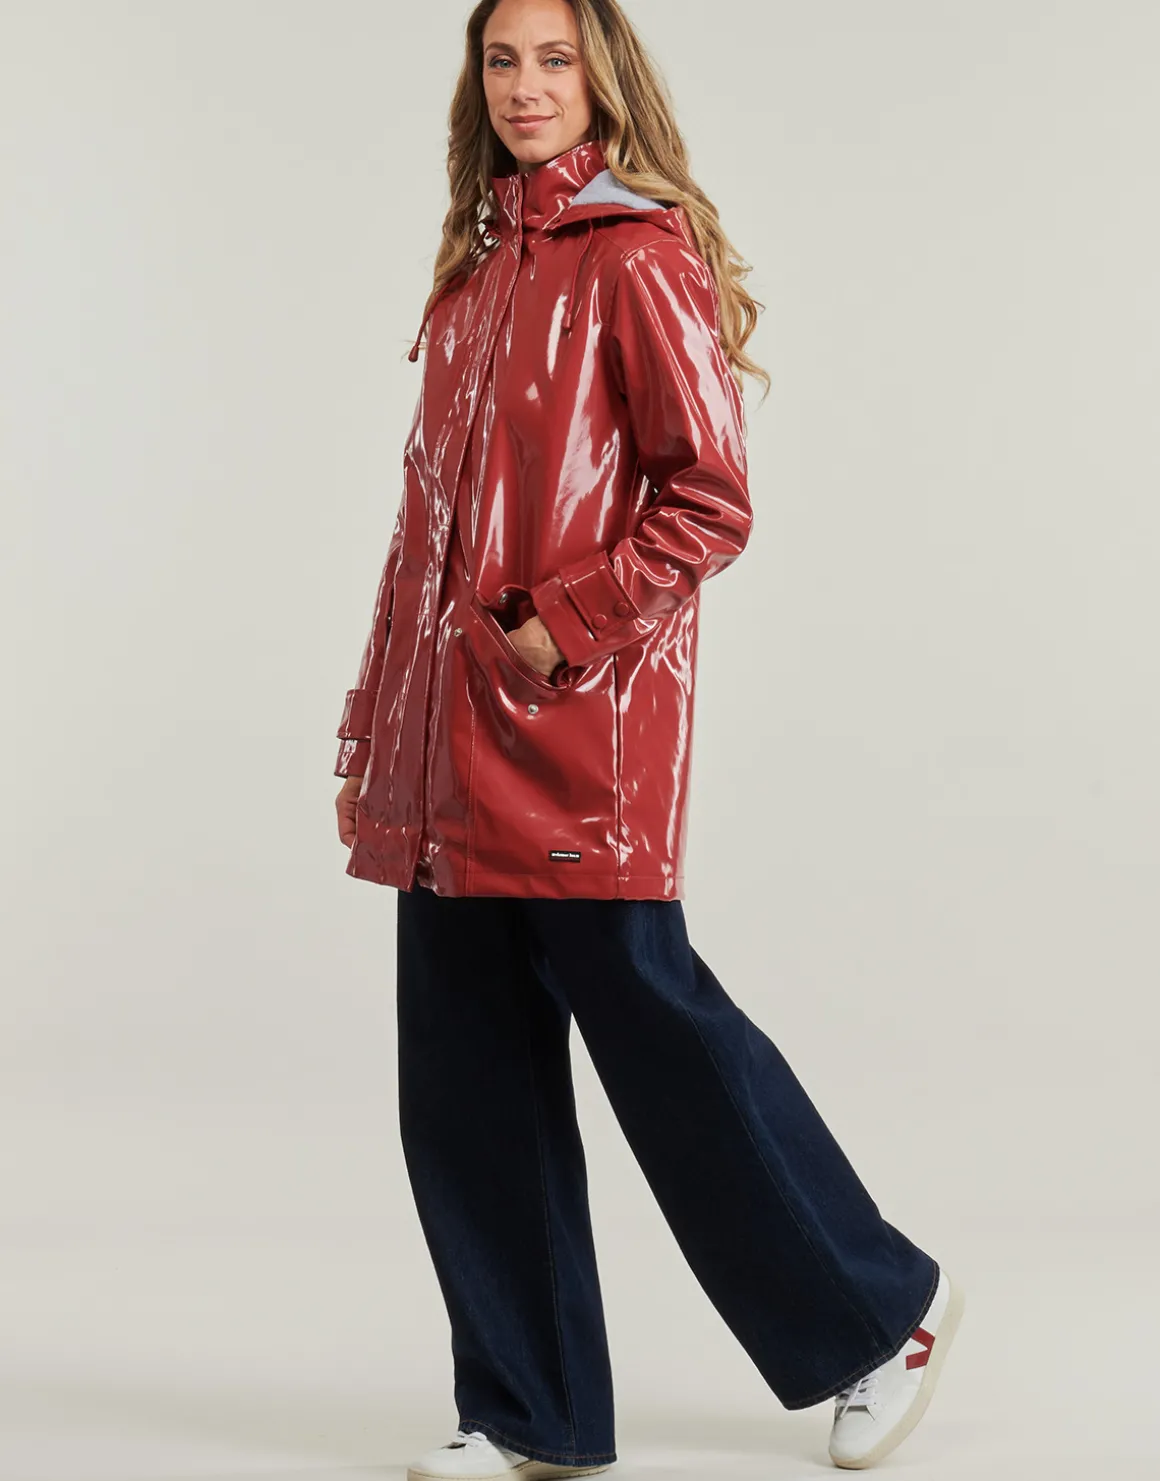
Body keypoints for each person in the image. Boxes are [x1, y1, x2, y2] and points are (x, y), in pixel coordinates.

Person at [332, 1, 964, 1475]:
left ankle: (880, 1321)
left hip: (576, 739)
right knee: (466, 1089)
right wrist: (374, 727)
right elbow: (422, 542)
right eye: (502, 60)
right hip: (442, 750)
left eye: (554, 59)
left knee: (666, 1048)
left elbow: (709, 498)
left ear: (602, 77)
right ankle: (531, 1414)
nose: (526, 86)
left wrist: (563, 626)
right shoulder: (472, 275)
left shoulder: (635, 253)